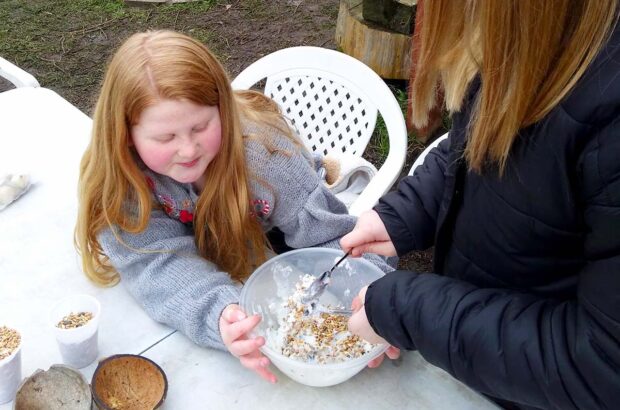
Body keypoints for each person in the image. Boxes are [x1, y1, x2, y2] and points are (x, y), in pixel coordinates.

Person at [341, 1, 620, 409]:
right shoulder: (518, 32)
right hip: (476, 366)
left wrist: (412, 311)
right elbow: (475, 143)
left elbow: (603, 366)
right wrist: (404, 215)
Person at [75, 30, 391, 384]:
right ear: (124, 135)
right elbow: (153, 261)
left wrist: (381, 299)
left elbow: (334, 239)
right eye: (165, 138)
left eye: (201, 126)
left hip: (278, 235)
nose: (189, 149)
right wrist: (219, 311)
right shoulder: (122, 175)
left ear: (222, 108)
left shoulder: (266, 157)